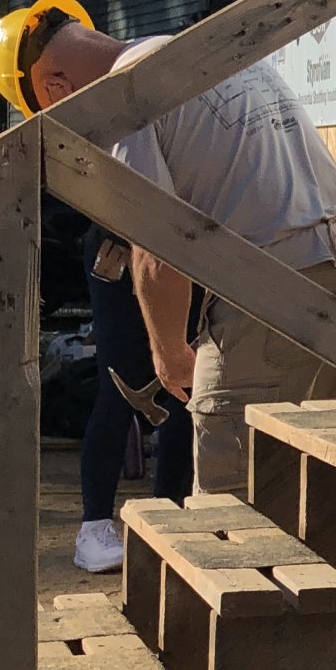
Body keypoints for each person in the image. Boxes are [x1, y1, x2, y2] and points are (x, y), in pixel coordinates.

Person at [0, 0, 336, 493]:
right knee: (301, 472)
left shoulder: (125, 99)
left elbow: (156, 245)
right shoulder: (193, 53)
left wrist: (168, 351)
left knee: (232, 489)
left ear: (56, 87)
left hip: (274, 290)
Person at [71, 222, 196, 571]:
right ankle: (93, 528)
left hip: (189, 253)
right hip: (118, 250)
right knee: (119, 387)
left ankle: (168, 518)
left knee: (187, 391)